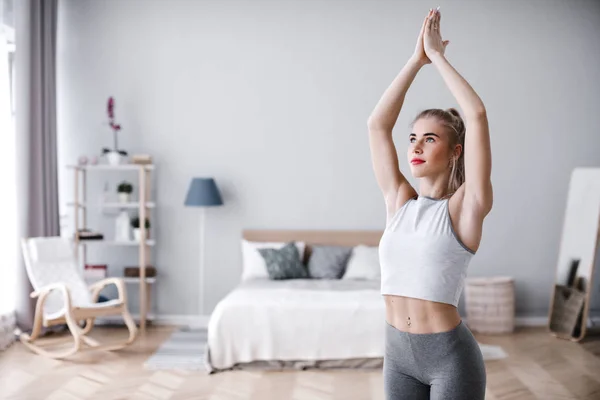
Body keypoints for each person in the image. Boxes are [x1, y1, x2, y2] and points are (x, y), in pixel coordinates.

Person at [367, 7, 493, 400]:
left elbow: (476, 115)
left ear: (456, 152)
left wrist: (438, 57)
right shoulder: (400, 201)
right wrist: (416, 60)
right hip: (397, 356)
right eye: (413, 138)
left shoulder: (465, 206)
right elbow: (377, 125)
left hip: (449, 359)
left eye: (430, 139)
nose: (416, 147)